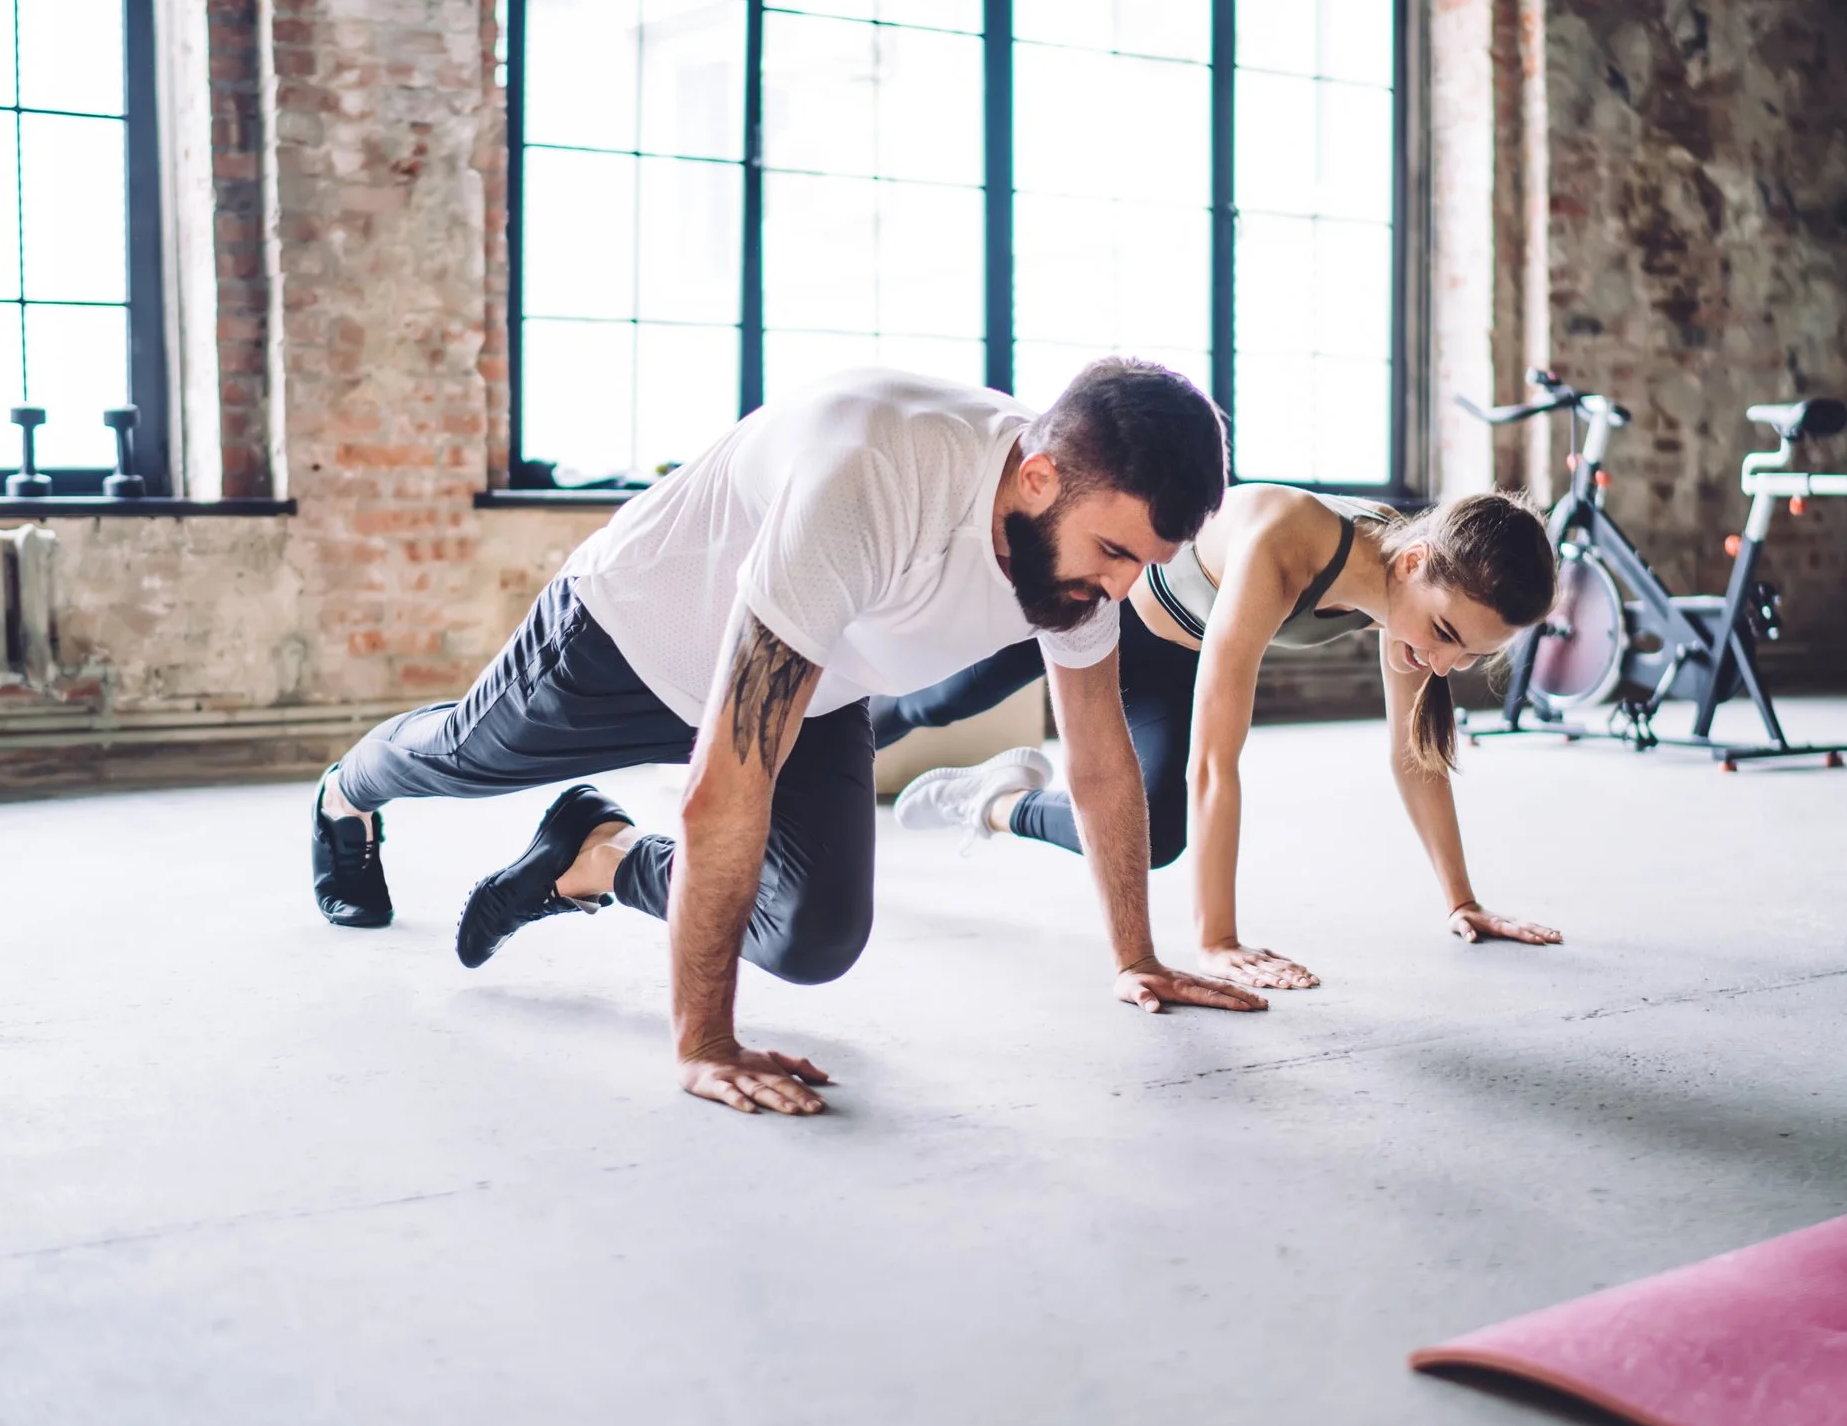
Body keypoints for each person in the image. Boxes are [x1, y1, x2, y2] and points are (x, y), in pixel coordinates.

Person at [309, 361, 1266, 1116]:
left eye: (1147, 564)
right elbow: (726, 784)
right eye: (1115, 554)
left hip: (821, 677)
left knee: (811, 938)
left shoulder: (1082, 556)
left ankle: (592, 858)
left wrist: (1135, 958)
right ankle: (344, 795)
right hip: (629, 635)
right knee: (457, 760)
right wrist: (704, 1044)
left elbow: (1099, 764)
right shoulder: (877, 475)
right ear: (1038, 476)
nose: (1122, 588)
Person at [879, 485, 1562, 989]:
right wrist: (1218, 942)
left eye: (1469, 656)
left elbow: (1416, 760)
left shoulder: (1406, 595)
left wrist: (1462, 901)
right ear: (1415, 563)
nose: (1444, 662)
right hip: (1092, 604)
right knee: (939, 701)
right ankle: (815, 745)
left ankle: (994, 803)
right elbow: (1215, 761)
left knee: (1154, 836)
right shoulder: (1288, 536)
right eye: (1445, 635)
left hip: (1167, 662)